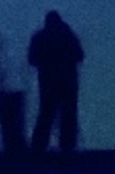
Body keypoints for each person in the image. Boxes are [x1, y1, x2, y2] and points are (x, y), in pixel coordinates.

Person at [25, 9, 85, 156]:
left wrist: (48, 63)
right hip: (67, 82)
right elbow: (80, 55)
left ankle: (40, 147)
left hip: (49, 83)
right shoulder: (67, 35)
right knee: (66, 114)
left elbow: (32, 59)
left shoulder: (40, 37)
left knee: (47, 114)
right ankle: (67, 146)